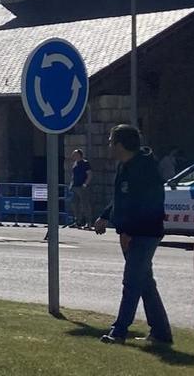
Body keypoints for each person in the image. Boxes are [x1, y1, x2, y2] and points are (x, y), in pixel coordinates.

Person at [92, 123, 170, 346]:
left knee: (132, 282)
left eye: (110, 142)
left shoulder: (145, 168)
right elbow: (120, 199)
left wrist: (129, 231)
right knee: (144, 282)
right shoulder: (123, 167)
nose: (109, 146)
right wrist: (105, 216)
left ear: (119, 144)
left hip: (145, 234)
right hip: (132, 232)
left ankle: (118, 332)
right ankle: (161, 332)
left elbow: (148, 205)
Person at [67, 148, 92, 228]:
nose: (73, 156)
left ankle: (89, 222)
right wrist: (71, 184)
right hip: (75, 187)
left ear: (79, 155)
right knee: (74, 204)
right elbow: (73, 175)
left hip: (82, 187)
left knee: (85, 204)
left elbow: (90, 174)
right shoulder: (75, 164)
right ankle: (78, 221)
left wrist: (85, 184)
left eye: (74, 154)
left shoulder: (85, 163)